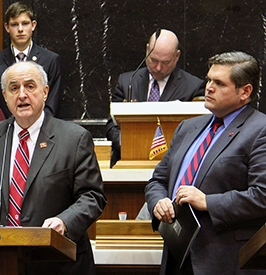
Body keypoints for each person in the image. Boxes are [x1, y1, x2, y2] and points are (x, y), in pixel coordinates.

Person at [0, 61, 106, 275]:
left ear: (45, 92)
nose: (22, 94)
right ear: (5, 97)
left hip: (58, 265)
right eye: (14, 88)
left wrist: (64, 222)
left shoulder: (74, 139)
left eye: (30, 86)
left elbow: (92, 195)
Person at [145, 51, 266, 275]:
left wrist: (208, 201)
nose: (208, 88)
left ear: (245, 91)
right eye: (209, 80)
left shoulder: (260, 130)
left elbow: (262, 195)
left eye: (219, 83)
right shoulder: (188, 128)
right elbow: (158, 180)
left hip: (224, 260)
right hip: (176, 255)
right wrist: (158, 202)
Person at [106, 29, 205, 167]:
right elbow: (111, 125)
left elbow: (197, 131)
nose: (158, 68)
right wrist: (130, 143)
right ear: (147, 50)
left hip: (172, 165)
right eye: (153, 60)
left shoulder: (193, 87)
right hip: (129, 161)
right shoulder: (127, 81)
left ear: (177, 56)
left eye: (165, 62)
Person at [0, 1, 63, 118]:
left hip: (41, 132)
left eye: (25, 23)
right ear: (7, 27)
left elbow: (52, 105)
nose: (20, 29)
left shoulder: (51, 60)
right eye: (14, 24)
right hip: (5, 132)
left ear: (33, 25)